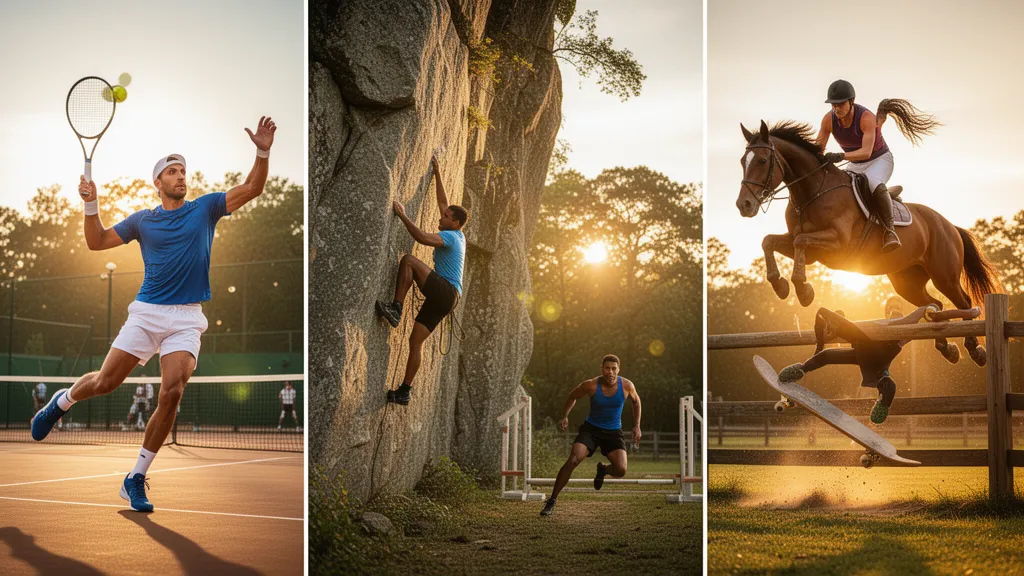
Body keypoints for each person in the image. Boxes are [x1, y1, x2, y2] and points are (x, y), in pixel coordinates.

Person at [30, 116, 277, 512]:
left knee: (173, 390)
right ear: (157, 183)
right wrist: (90, 203)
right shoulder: (142, 220)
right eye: (172, 172)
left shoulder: (206, 208)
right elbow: (95, 242)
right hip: (146, 313)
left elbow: (253, 188)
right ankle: (62, 401)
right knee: (106, 382)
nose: (181, 177)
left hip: (187, 318)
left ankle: (136, 477)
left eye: (183, 171)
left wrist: (262, 150)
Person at [778, 298, 978, 424]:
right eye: (891, 307)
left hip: (882, 352)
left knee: (883, 377)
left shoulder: (909, 322)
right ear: (885, 311)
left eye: (898, 306)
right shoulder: (879, 322)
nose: (894, 309)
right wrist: (822, 343)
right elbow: (824, 316)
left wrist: (965, 313)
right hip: (863, 345)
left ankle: (883, 401)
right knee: (827, 353)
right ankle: (801, 369)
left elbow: (936, 316)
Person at [375, 154, 468, 406]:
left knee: (408, 260)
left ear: (455, 223)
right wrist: (437, 171)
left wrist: (403, 215)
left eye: (446, 216)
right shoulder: (457, 232)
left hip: (445, 290)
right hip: (449, 298)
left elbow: (423, 239)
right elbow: (442, 201)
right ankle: (405, 390)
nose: (442, 216)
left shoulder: (449, 237)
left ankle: (396, 308)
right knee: (414, 342)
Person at [540, 355, 642, 517]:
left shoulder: (627, 386)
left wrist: (637, 426)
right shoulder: (591, 385)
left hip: (613, 432)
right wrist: (565, 416)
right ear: (601, 369)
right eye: (607, 368)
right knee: (573, 459)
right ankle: (551, 501)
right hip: (591, 430)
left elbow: (636, 402)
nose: (610, 372)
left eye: (614, 369)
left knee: (621, 470)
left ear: (618, 370)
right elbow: (572, 396)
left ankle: (602, 470)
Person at [815, 79, 899, 252]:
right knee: (841, 187)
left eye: (840, 104)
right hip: (855, 163)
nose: (836, 108)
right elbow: (818, 149)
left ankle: (889, 231)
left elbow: (866, 153)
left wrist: (839, 155)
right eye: (833, 105)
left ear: (851, 101)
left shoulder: (866, 117)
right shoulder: (828, 120)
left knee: (873, 182)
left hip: (879, 159)